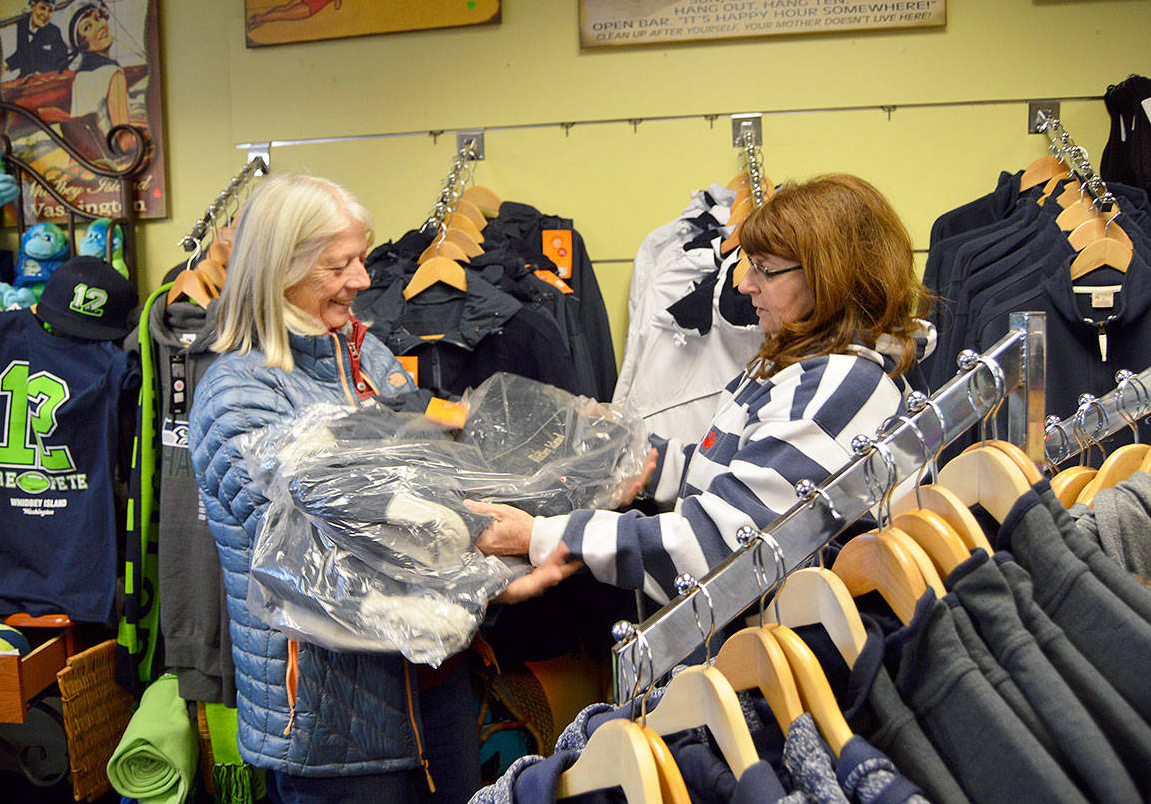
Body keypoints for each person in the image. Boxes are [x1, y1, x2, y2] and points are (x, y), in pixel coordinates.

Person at [187, 173, 577, 804]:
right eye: (338, 266)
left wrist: (567, 455)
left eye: (361, 259)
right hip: (330, 726)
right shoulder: (241, 397)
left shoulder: (365, 360)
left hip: (431, 694)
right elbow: (322, 569)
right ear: (279, 270)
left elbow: (436, 478)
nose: (365, 281)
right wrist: (495, 577)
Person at [470, 174, 935, 605]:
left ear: (829, 277)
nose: (746, 284)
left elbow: (718, 549)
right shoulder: (796, 366)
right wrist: (637, 455)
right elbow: (737, 473)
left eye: (765, 270)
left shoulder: (837, 388)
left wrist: (544, 536)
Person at [65, 0, 131, 138]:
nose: (99, 26)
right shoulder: (114, 74)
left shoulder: (79, 76)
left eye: (98, 18)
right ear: (82, 44)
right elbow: (124, 140)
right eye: (87, 27)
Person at [5, 0, 68, 78]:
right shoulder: (22, 25)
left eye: (50, 11)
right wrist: (6, 66)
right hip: (25, 78)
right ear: (33, 6)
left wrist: (43, 74)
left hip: (46, 80)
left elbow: (62, 63)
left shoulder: (54, 32)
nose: (46, 15)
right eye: (42, 8)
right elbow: (22, 54)